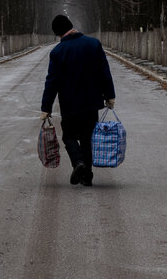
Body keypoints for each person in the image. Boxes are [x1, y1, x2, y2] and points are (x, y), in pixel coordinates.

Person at [40, 14, 115, 186]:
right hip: (91, 102)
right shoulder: (93, 44)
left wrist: (46, 108)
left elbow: (52, 82)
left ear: (59, 33)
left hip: (70, 104)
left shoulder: (58, 52)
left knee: (69, 136)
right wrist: (110, 95)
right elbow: (104, 71)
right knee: (88, 138)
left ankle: (78, 163)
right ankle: (87, 175)